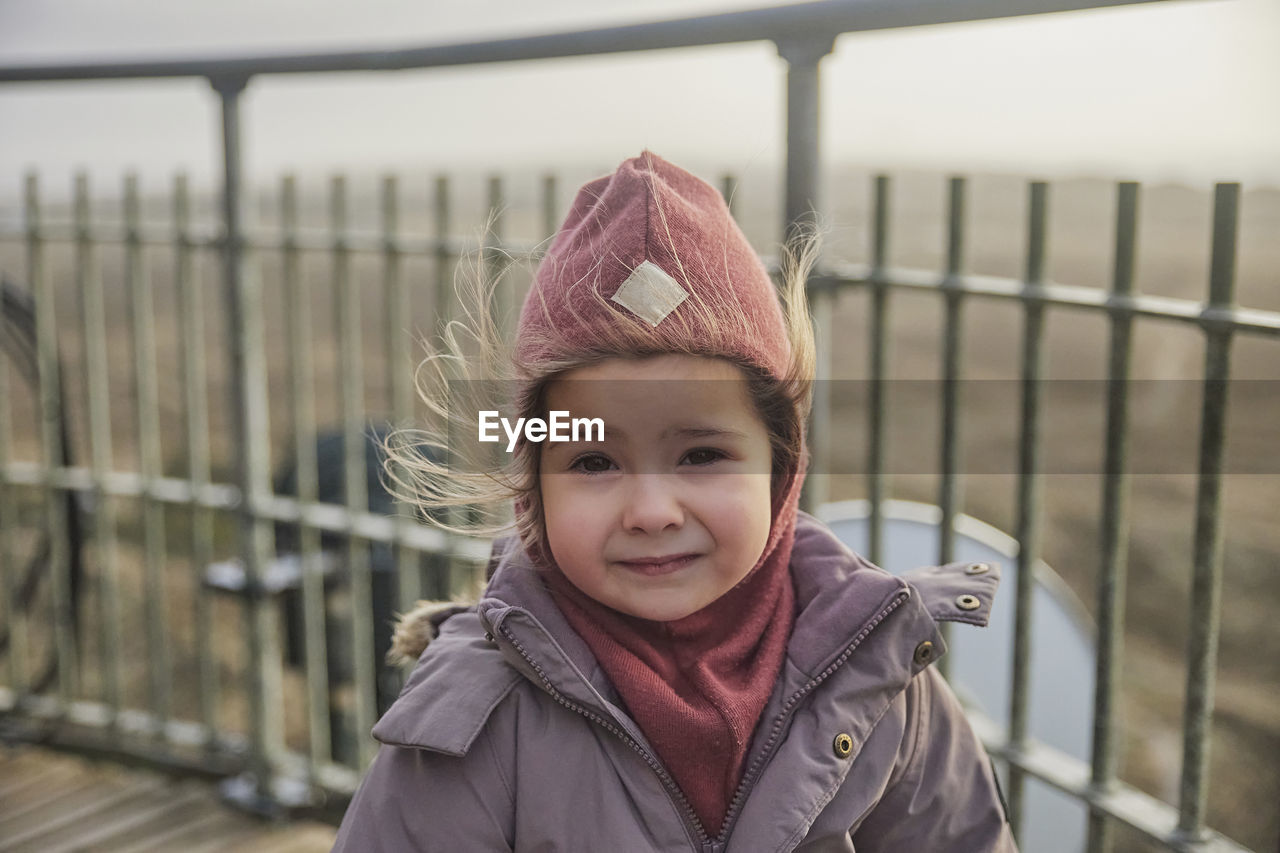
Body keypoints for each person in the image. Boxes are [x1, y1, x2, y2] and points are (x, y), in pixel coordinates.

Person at [332, 151, 1017, 852]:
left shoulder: (879, 677)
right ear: (534, 481)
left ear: (781, 465)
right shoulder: (478, 714)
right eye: (594, 461)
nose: (652, 510)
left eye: (701, 455)